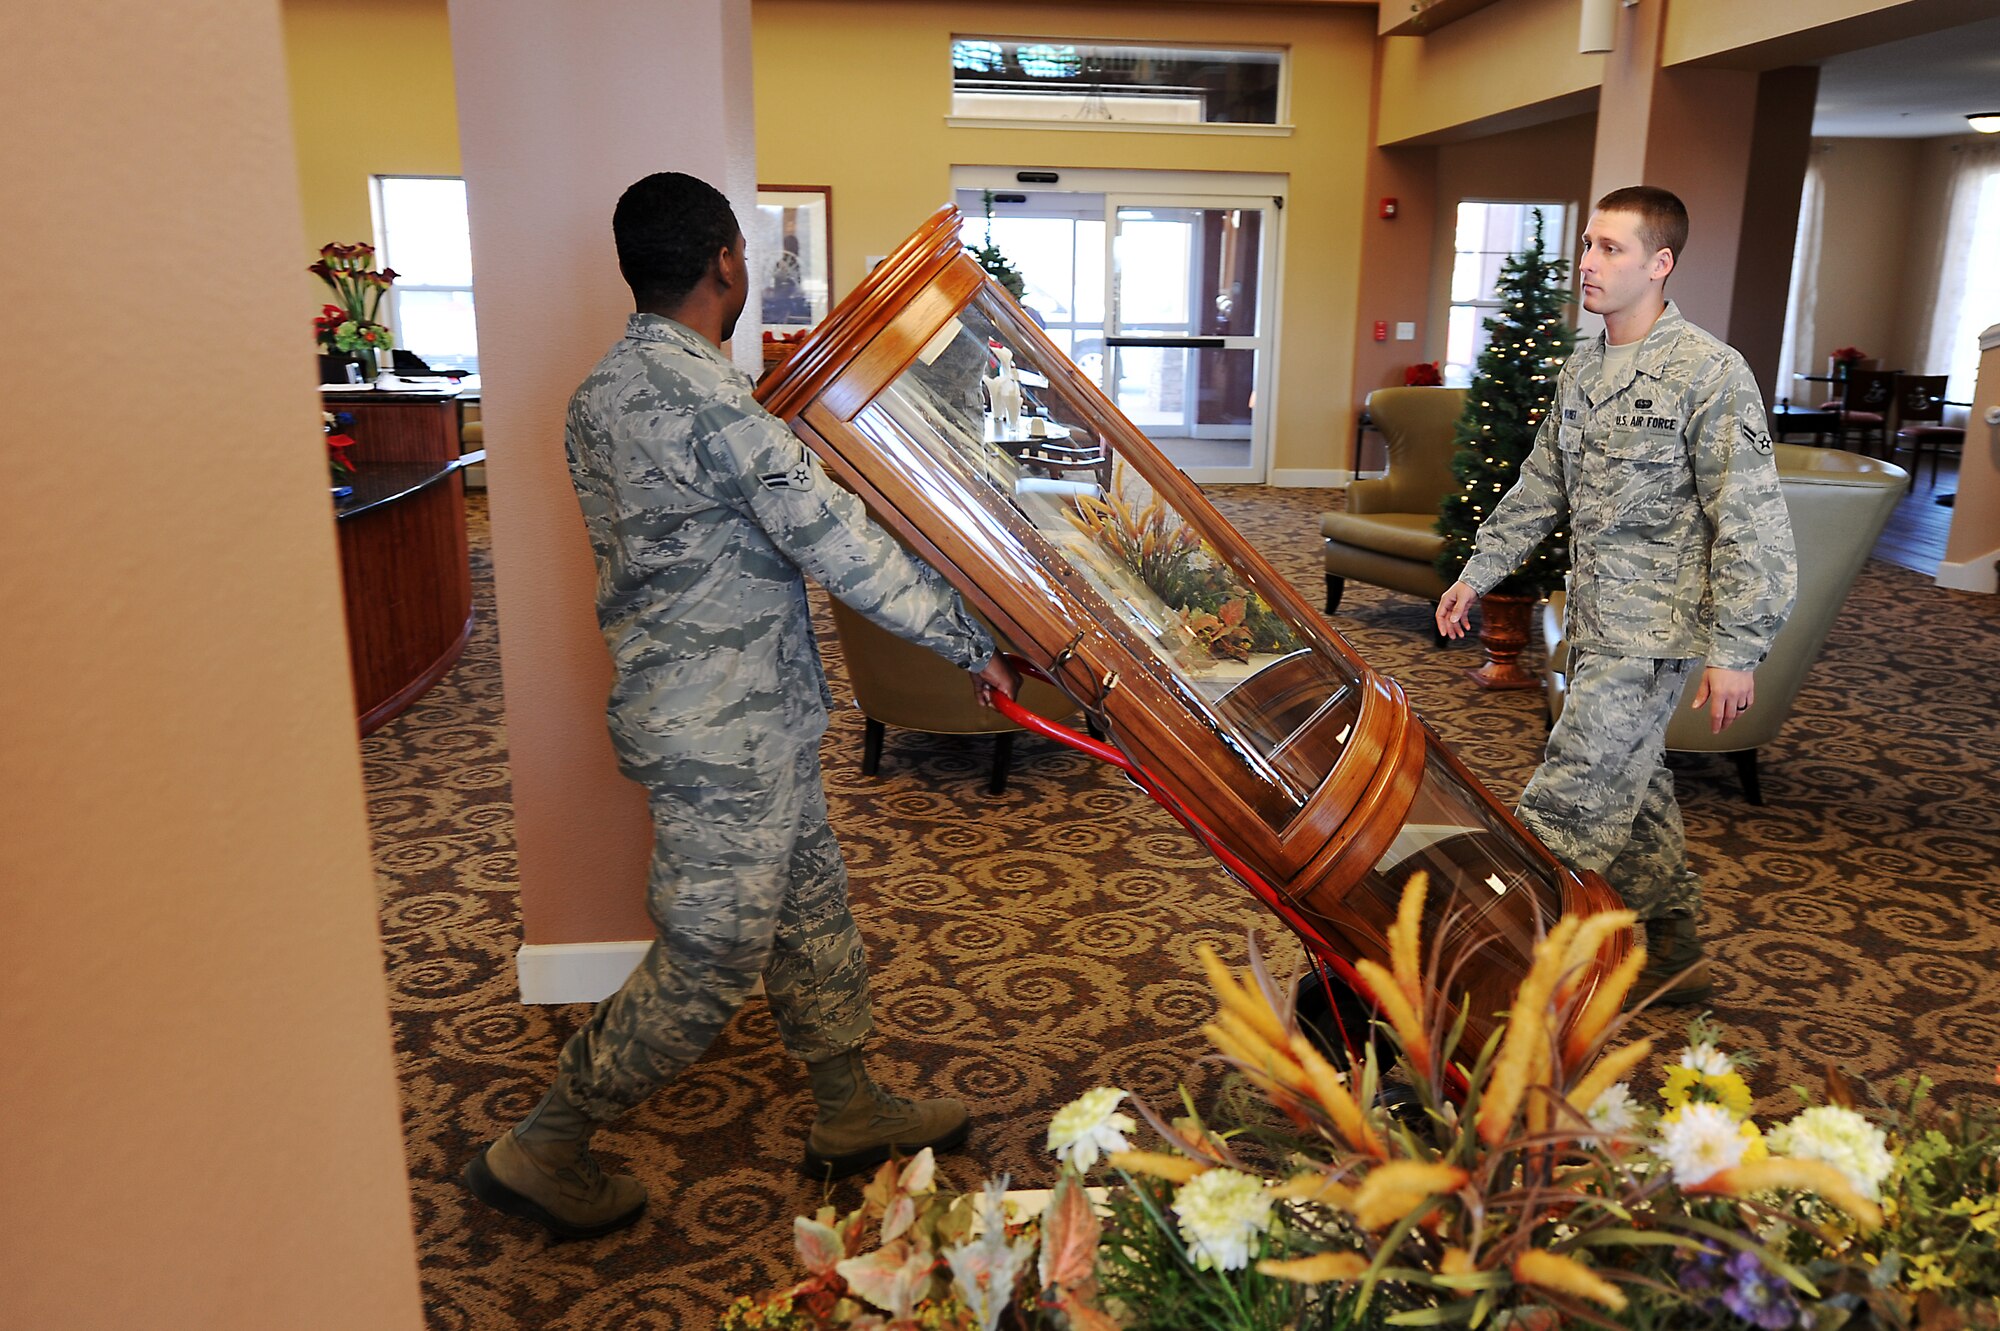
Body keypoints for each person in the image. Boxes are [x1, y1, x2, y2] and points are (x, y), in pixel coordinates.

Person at [464, 172, 1021, 1240]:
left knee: (811, 902)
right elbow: (838, 545)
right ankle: (543, 1140)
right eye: (742, 253)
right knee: (712, 954)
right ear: (726, 261)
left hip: (724, 713)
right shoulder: (713, 405)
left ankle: (849, 1102)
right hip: (722, 732)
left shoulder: (602, 390)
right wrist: (971, 642)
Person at [1435, 185, 1796, 1006]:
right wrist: (1477, 571)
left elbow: (1753, 521)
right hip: (1594, 623)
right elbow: (1541, 484)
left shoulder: (1709, 372)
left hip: (1655, 637)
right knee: (1636, 800)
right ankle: (1675, 960)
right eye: (1589, 246)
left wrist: (1737, 650)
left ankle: (1482, 986)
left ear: (1659, 264)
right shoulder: (1584, 365)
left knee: (1561, 804)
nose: (1588, 264)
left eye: (1610, 249)